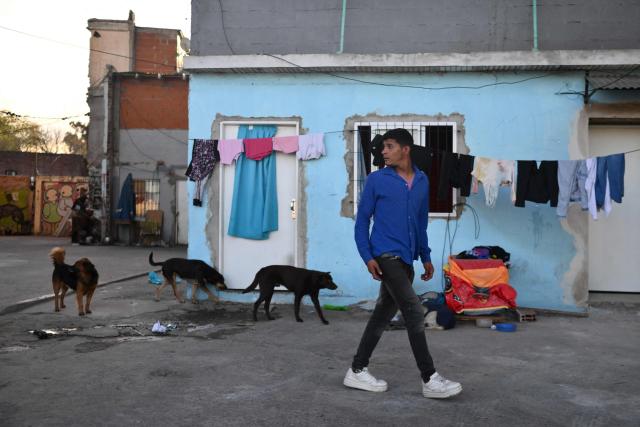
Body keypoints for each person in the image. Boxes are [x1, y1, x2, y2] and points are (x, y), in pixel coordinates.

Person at [343, 128, 462, 399]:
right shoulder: (376, 180)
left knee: (382, 315)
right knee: (413, 310)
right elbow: (362, 221)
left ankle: (357, 370)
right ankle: (430, 378)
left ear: (405, 149)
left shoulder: (422, 180)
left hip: (407, 259)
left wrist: (426, 255)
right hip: (386, 256)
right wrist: (367, 256)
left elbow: (420, 222)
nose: (383, 151)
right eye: (383, 147)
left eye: (389, 146)